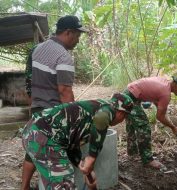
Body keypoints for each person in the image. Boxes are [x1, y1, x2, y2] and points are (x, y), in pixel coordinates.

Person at [22, 15, 87, 190]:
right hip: (53, 113)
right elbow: (65, 92)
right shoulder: (63, 57)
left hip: (37, 108)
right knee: (55, 152)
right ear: (68, 33)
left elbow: (28, 81)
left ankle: (25, 186)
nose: (78, 41)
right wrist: (75, 123)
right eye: (78, 36)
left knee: (32, 148)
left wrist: (33, 104)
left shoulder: (36, 49)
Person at [22, 93, 134, 189]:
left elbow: (71, 142)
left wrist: (82, 165)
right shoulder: (107, 110)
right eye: (124, 118)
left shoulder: (96, 107)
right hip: (44, 138)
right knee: (63, 185)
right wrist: (91, 158)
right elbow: (102, 118)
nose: (121, 121)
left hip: (32, 130)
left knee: (39, 163)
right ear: (121, 113)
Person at [123, 75, 177, 169]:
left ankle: (132, 152)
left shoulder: (164, 83)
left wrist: (163, 111)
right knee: (144, 128)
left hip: (127, 94)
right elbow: (160, 117)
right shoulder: (166, 93)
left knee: (132, 125)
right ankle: (148, 160)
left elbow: (156, 99)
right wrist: (172, 127)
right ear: (176, 85)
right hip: (131, 98)